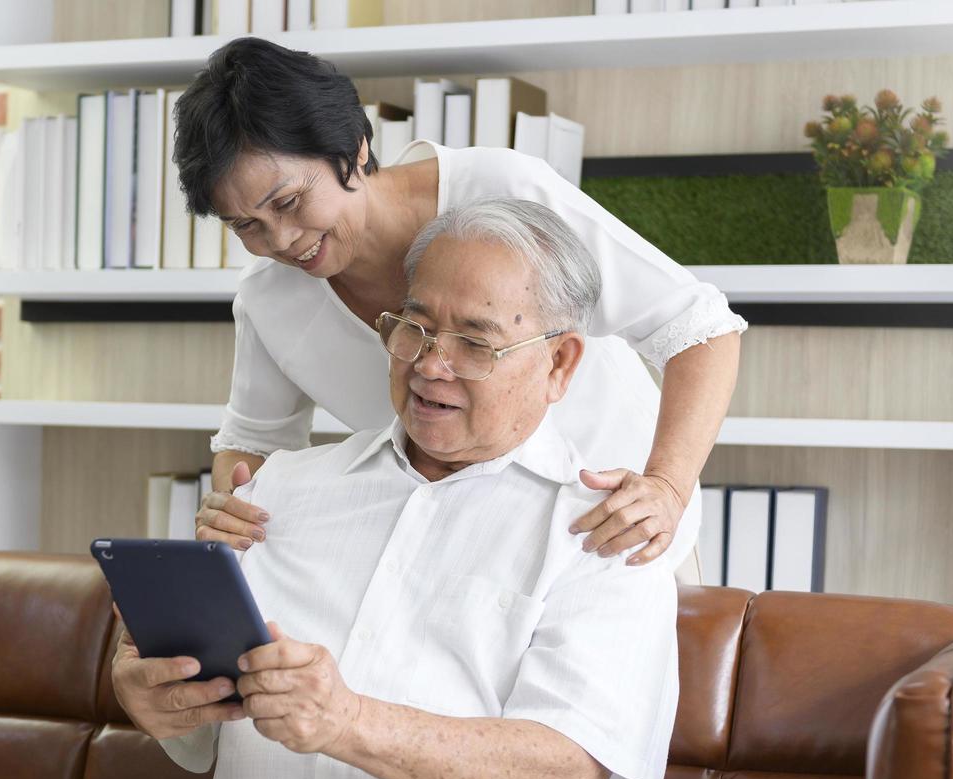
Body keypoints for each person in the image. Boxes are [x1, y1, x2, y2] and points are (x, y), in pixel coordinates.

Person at [0, 198, 679, 779]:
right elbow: (198, 722)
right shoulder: (281, 487)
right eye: (413, 326)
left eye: (476, 342)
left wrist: (347, 720)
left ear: (558, 365)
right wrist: (150, 689)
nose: (429, 363)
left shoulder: (607, 528)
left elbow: (571, 773)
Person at [174, 37, 745, 574]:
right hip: (460, 565)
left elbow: (698, 327)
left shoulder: (502, 190)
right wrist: (234, 505)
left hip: (615, 539)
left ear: (352, 147)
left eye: (290, 201)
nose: (279, 240)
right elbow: (252, 442)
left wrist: (666, 487)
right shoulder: (269, 297)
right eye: (246, 224)